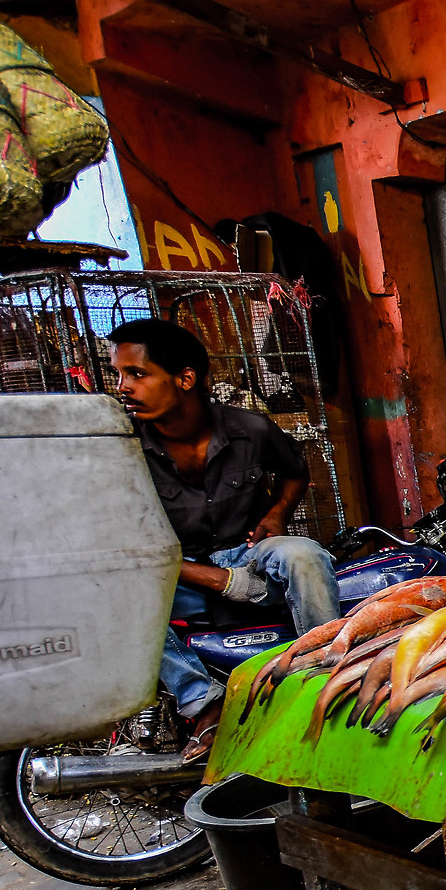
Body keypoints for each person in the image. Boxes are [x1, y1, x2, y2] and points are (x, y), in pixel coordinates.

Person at [108, 318, 338, 762]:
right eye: (119, 375)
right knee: (121, 596)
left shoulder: (250, 430)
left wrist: (276, 514)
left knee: (304, 555)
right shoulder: (124, 447)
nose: (124, 387)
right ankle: (206, 704)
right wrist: (214, 579)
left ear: (185, 379)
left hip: (251, 556)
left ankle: (328, 677)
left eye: (137, 374)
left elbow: (295, 470)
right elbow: (117, 545)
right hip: (179, 577)